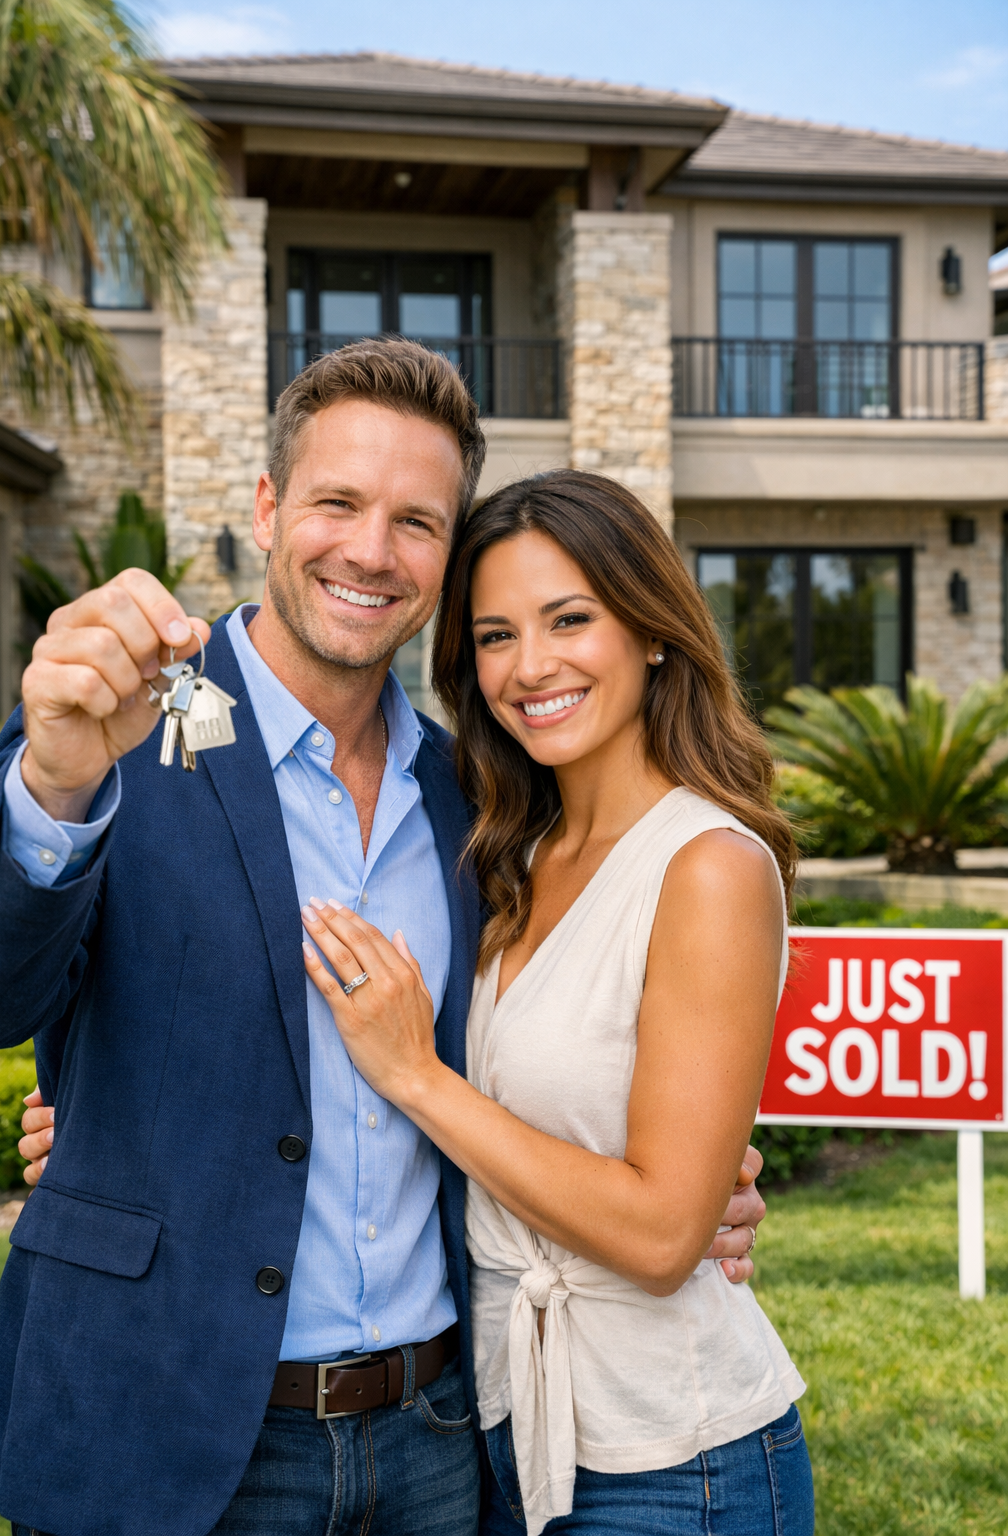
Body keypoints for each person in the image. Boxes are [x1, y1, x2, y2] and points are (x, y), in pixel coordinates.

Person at [0, 338, 763, 1536]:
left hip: (438, 1441)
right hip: (167, 1423)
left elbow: (560, 1047)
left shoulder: (484, 803)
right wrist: (52, 783)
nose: (368, 549)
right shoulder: (112, 734)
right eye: (337, 501)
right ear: (267, 506)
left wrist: (695, 1182)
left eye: (416, 520)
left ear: (446, 556)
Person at [295, 469, 813, 1536]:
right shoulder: (508, 855)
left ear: (653, 631)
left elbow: (667, 1234)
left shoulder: (707, 865)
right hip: (498, 1436)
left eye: (569, 619)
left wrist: (415, 1077)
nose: (530, 667)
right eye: (492, 636)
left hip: (671, 1462)